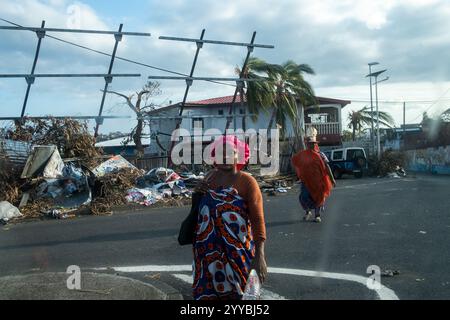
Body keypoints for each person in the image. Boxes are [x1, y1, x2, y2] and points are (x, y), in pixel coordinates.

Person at [192, 135, 267, 300]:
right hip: (207, 257)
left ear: (238, 155)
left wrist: (260, 256)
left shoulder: (247, 182)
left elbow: (257, 219)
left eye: (230, 152)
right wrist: (196, 194)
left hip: (239, 254)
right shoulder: (208, 179)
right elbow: (199, 213)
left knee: (243, 297)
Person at [291, 128, 336, 223]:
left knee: (318, 198)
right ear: (307, 144)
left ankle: (317, 215)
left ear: (315, 144)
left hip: (318, 182)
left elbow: (327, 167)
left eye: (312, 143)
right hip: (306, 182)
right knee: (304, 197)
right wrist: (299, 174)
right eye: (309, 143)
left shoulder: (321, 155)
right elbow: (296, 162)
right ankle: (308, 212)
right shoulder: (302, 155)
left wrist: (332, 179)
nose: (311, 145)